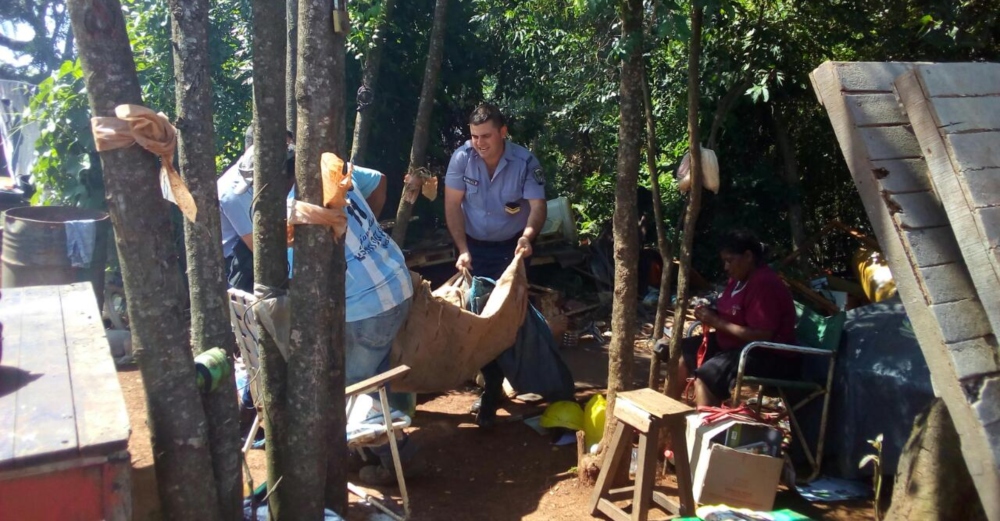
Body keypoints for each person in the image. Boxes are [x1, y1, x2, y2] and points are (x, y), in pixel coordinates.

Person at [287, 162, 418, 485]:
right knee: (373, 378)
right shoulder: (331, 169)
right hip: (395, 281)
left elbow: (297, 281)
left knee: (354, 392)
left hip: (369, 305)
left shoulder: (296, 212)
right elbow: (380, 179)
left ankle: (400, 457)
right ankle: (374, 453)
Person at [443, 103, 547, 427]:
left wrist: (528, 237)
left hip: (512, 249)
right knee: (480, 318)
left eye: (486, 135)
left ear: (503, 132)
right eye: (474, 136)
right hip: (474, 248)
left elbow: (538, 207)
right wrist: (461, 248)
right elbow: (452, 205)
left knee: (508, 318)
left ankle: (510, 383)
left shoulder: (525, 161)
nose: (479, 142)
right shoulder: (462, 158)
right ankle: (492, 388)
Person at [662, 229, 799, 406]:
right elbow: (732, 313)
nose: (726, 267)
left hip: (769, 355)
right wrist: (710, 314)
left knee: (706, 377)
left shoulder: (764, 283)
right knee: (682, 352)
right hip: (737, 345)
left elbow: (762, 336)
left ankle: (707, 429)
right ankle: (665, 417)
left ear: (748, 256)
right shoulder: (738, 279)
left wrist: (716, 321)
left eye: (730, 261)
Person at [218, 127, 296, 292]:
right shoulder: (233, 193)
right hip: (241, 267)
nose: (288, 155)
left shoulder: (280, 176)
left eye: (289, 149)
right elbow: (261, 249)